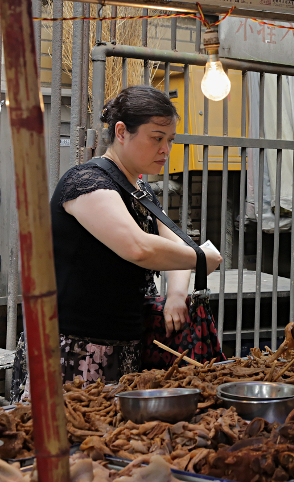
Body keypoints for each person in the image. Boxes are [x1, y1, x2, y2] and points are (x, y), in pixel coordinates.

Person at [11, 86, 222, 400]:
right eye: (156, 138)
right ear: (122, 132)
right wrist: (201, 259)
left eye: (170, 140)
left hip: (124, 343)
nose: (166, 150)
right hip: (72, 346)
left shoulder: (139, 191)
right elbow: (138, 247)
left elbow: (176, 245)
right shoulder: (86, 183)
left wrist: (177, 294)